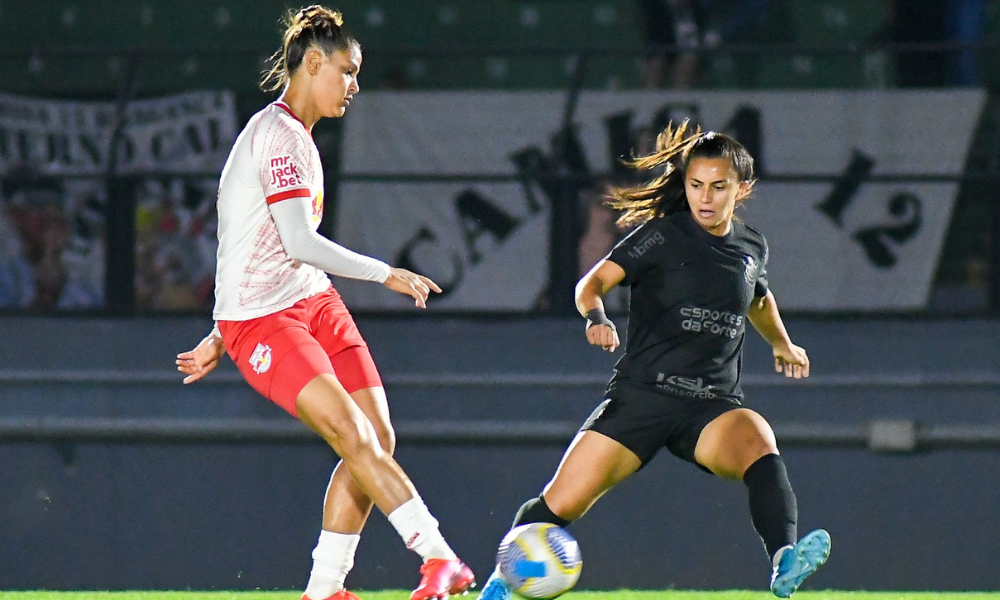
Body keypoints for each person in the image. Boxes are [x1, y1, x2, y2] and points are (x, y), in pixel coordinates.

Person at [174, 6, 474, 600]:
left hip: (312, 300)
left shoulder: (300, 137)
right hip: (262, 322)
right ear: (313, 63)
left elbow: (247, 236)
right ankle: (438, 557)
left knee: (376, 440)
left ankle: (323, 591)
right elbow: (297, 241)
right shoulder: (277, 136)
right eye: (348, 71)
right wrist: (385, 273)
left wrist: (212, 327)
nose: (355, 86)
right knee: (350, 432)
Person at [478, 122, 830, 599]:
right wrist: (596, 317)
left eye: (718, 187)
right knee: (557, 504)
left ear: (742, 189)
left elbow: (758, 300)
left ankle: (784, 561)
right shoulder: (661, 235)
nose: (705, 197)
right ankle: (498, 587)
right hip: (642, 396)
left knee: (759, 442)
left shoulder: (752, 247)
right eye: (696, 184)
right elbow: (591, 283)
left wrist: (781, 343)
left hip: (710, 405)